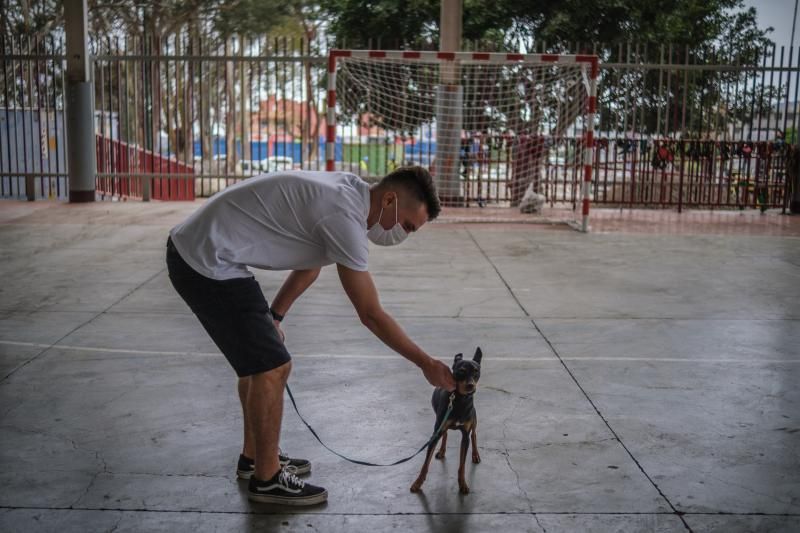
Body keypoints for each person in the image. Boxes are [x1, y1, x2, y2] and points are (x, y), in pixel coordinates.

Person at [165, 166, 455, 506]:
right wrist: (425, 363)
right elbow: (371, 314)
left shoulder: (351, 194)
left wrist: (274, 315)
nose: (401, 234)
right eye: (407, 225)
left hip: (209, 253)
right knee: (272, 367)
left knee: (261, 364)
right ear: (390, 199)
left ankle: (255, 457)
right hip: (204, 261)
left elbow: (312, 261)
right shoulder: (345, 216)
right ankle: (268, 479)